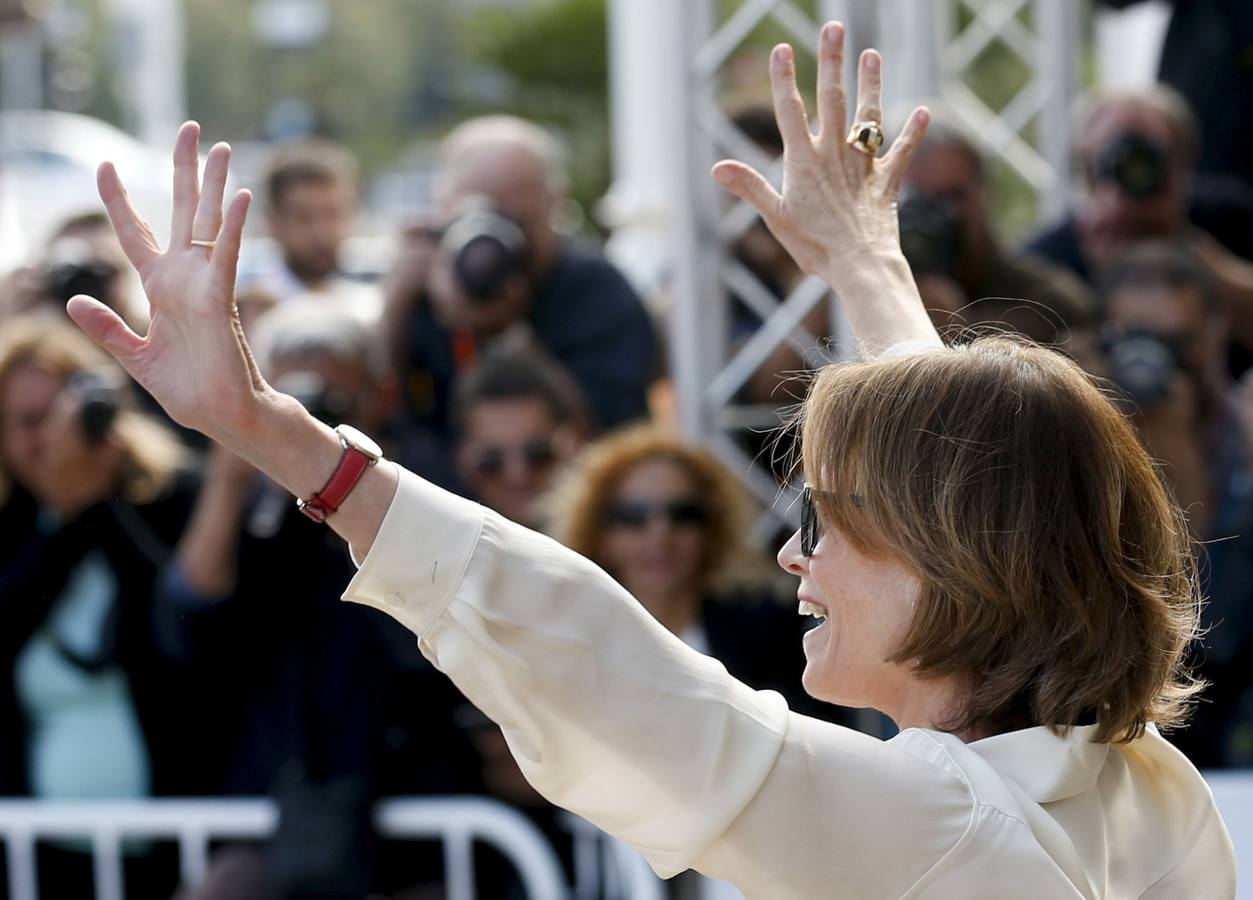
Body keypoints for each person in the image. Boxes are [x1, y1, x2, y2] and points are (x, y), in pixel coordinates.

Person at [68, 21, 1235, 898]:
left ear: (952, 563)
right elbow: (979, 472)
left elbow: (609, 662)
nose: (790, 554)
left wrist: (276, 433)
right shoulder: (1135, 788)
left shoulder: (941, 822)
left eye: (829, 523)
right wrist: (866, 270)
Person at [0, 317, 213, 897]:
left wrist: (98, 502)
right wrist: (68, 516)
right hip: (34, 852)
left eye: (65, 412)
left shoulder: (167, 496)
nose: (53, 436)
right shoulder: (11, 530)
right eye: (28, 422)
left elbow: (186, 635)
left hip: (180, 836)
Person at [1085, 240, 1253, 768]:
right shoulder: (1076, 438)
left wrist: (1179, 460)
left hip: (1217, 711)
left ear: (1212, 338)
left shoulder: (1242, 437)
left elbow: (1213, 632)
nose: (1149, 360)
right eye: (1134, 339)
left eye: (1174, 341)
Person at [382, 115, 657, 437]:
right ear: (443, 208)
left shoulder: (597, 290)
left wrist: (507, 335)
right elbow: (383, 415)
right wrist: (395, 308)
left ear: (554, 204)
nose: (493, 249)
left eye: (516, 221)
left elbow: (611, 428)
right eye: (477, 222)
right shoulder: (427, 284)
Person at [1024, 86, 1253, 360]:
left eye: (1147, 156)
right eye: (1113, 157)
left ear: (1183, 164)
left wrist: (1189, 252)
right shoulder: (1047, 259)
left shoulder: (1225, 218)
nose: (1132, 172)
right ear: (1087, 169)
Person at [901, 122, 1095, 344]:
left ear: (984, 196)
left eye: (952, 197)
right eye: (915, 200)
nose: (932, 214)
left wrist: (958, 328)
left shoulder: (1048, 305)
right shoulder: (866, 289)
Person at [238, 141, 381, 323]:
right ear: (273, 222)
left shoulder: (367, 302)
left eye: (332, 214)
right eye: (304, 218)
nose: (321, 232)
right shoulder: (247, 310)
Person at [450, 341, 586, 529]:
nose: (517, 475)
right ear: (463, 459)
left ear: (575, 441)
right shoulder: (441, 548)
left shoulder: (622, 544)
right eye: (491, 461)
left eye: (537, 454)